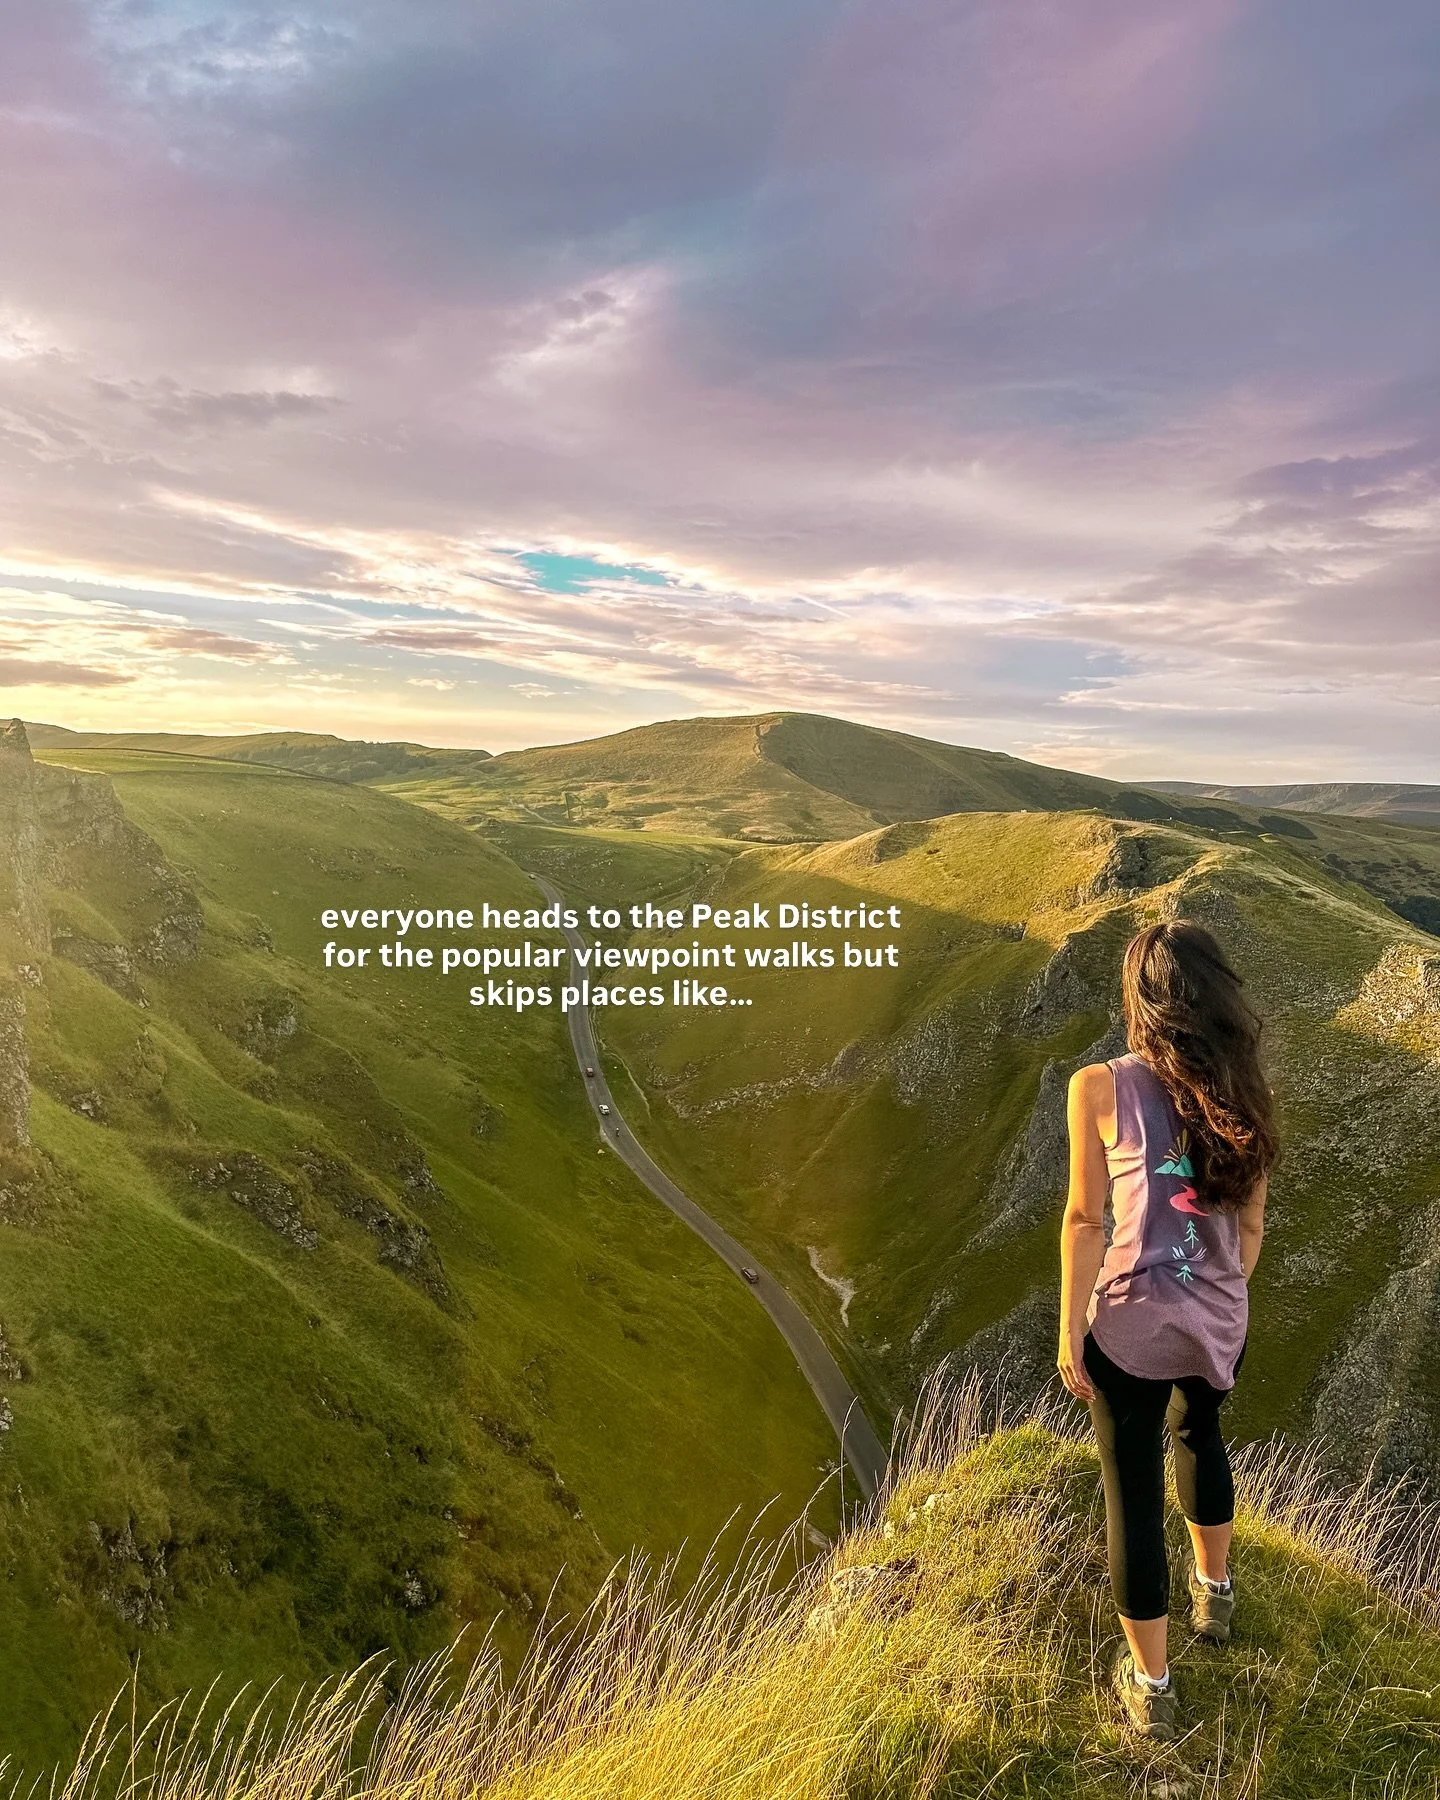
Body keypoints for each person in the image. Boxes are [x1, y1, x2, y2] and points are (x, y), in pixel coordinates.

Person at [1057, 921, 1275, 1742]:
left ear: (1140, 1000)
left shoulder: (1099, 1086)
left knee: (1132, 1494)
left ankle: (1152, 1685)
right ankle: (1214, 1595)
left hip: (1131, 1325)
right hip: (1218, 1318)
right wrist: (1216, 1296)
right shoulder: (1245, 1091)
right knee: (1201, 1436)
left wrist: (1071, 1329)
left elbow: (1085, 1221)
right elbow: (1250, 1230)